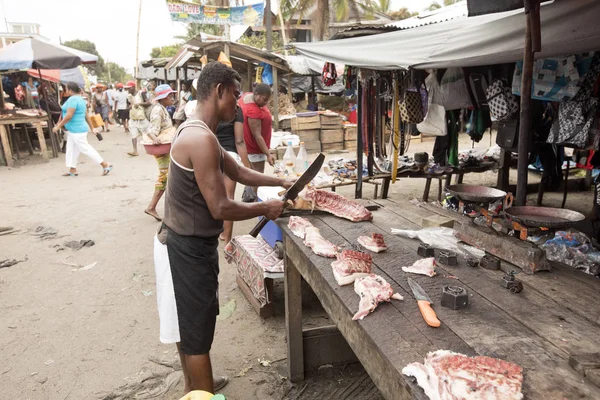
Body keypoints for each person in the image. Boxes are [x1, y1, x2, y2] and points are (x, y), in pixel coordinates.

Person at [156, 61, 289, 395]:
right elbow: (220, 207)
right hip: (182, 248)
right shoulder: (200, 139)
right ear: (219, 92)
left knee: (192, 325)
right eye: (234, 94)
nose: (237, 103)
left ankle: (195, 386)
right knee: (196, 334)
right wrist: (266, 208)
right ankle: (200, 389)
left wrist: (282, 180)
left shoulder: (203, 134)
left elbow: (242, 173)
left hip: (188, 243)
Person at [52, 82, 112, 177]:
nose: (65, 91)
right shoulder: (80, 99)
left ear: (70, 90)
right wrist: (92, 128)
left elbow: (69, 116)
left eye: (66, 89)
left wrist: (58, 126)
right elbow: (86, 115)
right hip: (75, 129)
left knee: (85, 148)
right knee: (71, 149)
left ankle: (105, 164)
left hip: (77, 129)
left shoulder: (73, 100)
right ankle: (72, 169)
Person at [216, 106, 250, 243]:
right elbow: (239, 141)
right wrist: (247, 167)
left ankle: (214, 234)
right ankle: (227, 239)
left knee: (210, 197)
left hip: (210, 153)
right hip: (230, 156)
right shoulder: (236, 109)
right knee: (228, 198)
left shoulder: (210, 106)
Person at [144, 84, 176, 221]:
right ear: (163, 98)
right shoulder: (158, 110)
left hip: (166, 147)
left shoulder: (162, 108)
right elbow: (152, 130)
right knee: (165, 176)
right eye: (170, 96)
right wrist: (155, 139)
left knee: (169, 176)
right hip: (162, 149)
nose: (172, 98)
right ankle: (151, 207)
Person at [239, 83, 274, 193]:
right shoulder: (253, 111)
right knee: (257, 178)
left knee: (252, 176)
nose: (265, 103)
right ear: (257, 95)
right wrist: (268, 154)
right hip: (255, 149)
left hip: (250, 147)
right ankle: (253, 202)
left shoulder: (247, 96)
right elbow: (257, 135)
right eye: (264, 99)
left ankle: (250, 198)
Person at [126, 80, 152, 156]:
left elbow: (148, 103)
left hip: (142, 117)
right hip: (133, 117)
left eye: (129, 88)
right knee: (133, 134)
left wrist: (139, 104)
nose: (128, 90)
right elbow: (127, 107)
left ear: (133, 87)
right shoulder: (129, 96)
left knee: (148, 132)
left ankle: (154, 147)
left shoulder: (141, 93)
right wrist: (129, 107)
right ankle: (135, 151)